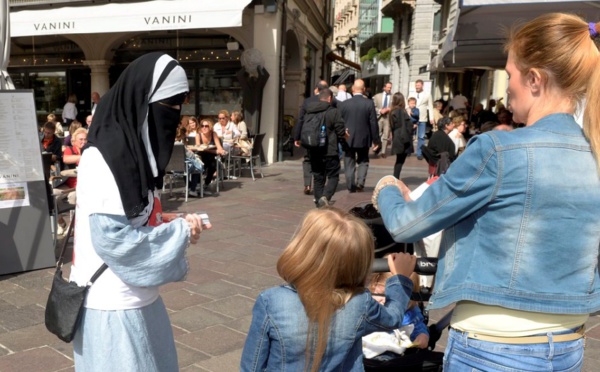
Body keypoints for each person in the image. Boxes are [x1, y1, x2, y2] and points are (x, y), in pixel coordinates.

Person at [374, 14, 600, 371]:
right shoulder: (594, 150)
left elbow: (406, 224)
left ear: (535, 79)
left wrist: (386, 188)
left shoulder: (497, 150)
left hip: (493, 347)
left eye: (510, 74)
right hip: (568, 344)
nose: (508, 86)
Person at [69, 52, 204, 371]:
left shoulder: (131, 152)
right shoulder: (105, 158)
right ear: (143, 101)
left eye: (179, 104)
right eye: (169, 104)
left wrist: (166, 221)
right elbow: (114, 241)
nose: (175, 113)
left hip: (137, 301)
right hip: (112, 309)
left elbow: (128, 217)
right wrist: (180, 232)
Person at [240, 208, 417, 371]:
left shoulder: (272, 301)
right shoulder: (359, 303)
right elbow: (393, 317)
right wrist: (399, 279)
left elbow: (253, 365)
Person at [363, 271, 429, 360]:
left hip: (388, 351)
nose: (384, 300)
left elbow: (418, 326)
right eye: (380, 294)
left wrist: (422, 335)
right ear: (373, 287)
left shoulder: (409, 313)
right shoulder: (368, 304)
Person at [302, 89, 348, 208]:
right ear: (329, 98)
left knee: (318, 177)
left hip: (313, 149)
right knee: (333, 175)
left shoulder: (310, 111)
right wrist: (345, 139)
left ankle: (319, 204)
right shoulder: (333, 112)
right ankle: (325, 197)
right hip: (330, 150)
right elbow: (340, 131)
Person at [338, 79, 380, 192]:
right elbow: (373, 123)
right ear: (364, 89)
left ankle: (351, 185)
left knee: (348, 161)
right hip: (363, 137)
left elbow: (339, 122)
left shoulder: (344, 104)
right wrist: (376, 140)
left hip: (348, 137)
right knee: (363, 161)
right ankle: (360, 183)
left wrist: (341, 134)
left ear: (352, 89)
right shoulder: (369, 103)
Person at [295, 80, 331, 195]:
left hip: (308, 136)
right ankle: (318, 184)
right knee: (321, 160)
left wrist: (297, 136)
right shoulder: (329, 101)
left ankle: (307, 184)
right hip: (323, 136)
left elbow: (300, 119)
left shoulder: (307, 101)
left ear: (316, 89)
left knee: (307, 159)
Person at [197, 118, 227, 195]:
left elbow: (219, 147)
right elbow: (199, 148)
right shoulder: (198, 135)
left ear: (210, 127)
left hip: (211, 156)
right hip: (201, 155)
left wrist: (220, 151)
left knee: (213, 165)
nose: (203, 128)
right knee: (201, 164)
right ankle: (197, 184)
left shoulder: (214, 134)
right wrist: (215, 151)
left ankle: (206, 183)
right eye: (202, 126)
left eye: (206, 126)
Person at [388, 92, 414, 179]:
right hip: (403, 137)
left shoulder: (393, 111)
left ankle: (396, 177)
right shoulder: (400, 111)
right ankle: (395, 178)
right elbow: (405, 125)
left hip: (398, 136)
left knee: (399, 160)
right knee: (400, 160)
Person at [414, 80, 435, 160]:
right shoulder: (412, 94)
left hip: (422, 117)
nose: (417, 87)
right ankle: (408, 151)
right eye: (416, 85)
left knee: (421, 137)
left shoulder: (427, 95)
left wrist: (431, 118)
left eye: (418, 85)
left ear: (422, 86)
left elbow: (430, 106)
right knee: (409, 134)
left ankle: (419, 153)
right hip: (412, 118)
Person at [373, 82, 393, 158]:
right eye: (388, 87)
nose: (389, 89)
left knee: (386, 135)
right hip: (379, 117)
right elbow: (373, 107)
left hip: (387, 118)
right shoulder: (377, 96)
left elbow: (395, 106)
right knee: (377, 134)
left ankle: (383, 152)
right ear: (384, 87)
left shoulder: (393, 97)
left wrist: (389, 109)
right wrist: (379, 110)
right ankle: (377, 147)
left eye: (390, 87)